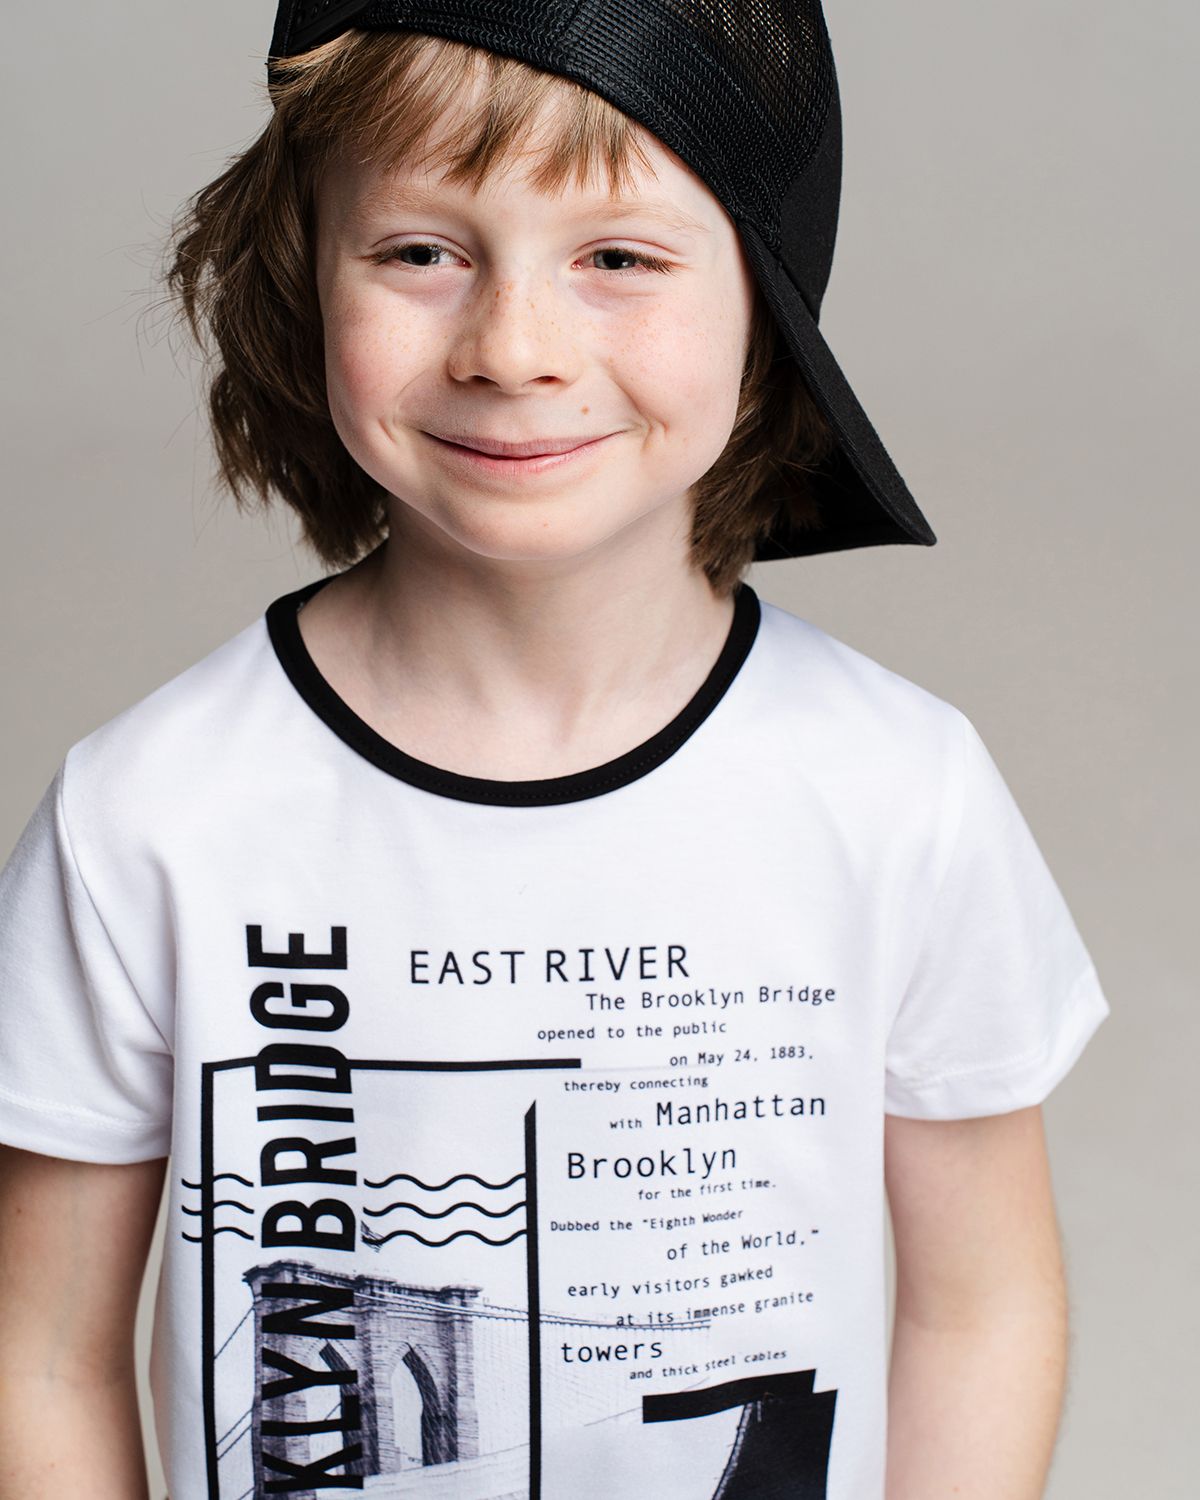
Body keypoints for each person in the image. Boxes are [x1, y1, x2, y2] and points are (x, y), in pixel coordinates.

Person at [0, 5, 1111, 1498]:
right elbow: (42, 1355)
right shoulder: (151, 815)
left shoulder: (900, 791)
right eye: (420, 251)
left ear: (766, 302)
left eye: (620, 259)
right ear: (299, 274)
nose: (513, 350)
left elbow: (980, 1310)